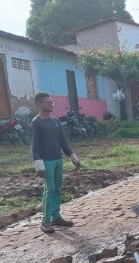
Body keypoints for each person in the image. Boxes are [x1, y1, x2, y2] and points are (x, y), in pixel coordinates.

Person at [31, 92, 80, 234]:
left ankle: (56, 217)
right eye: (48, 102)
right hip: (46, 162)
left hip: (58, 160)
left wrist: (72, 156)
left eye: (51, 101)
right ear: (39, 104)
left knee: (58, 188)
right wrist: (38, 165)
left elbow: (63, 141)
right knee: (49, 190)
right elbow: (35, 146)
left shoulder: (55, 121)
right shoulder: (36, 123)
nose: (51, 104)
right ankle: (45, 222)